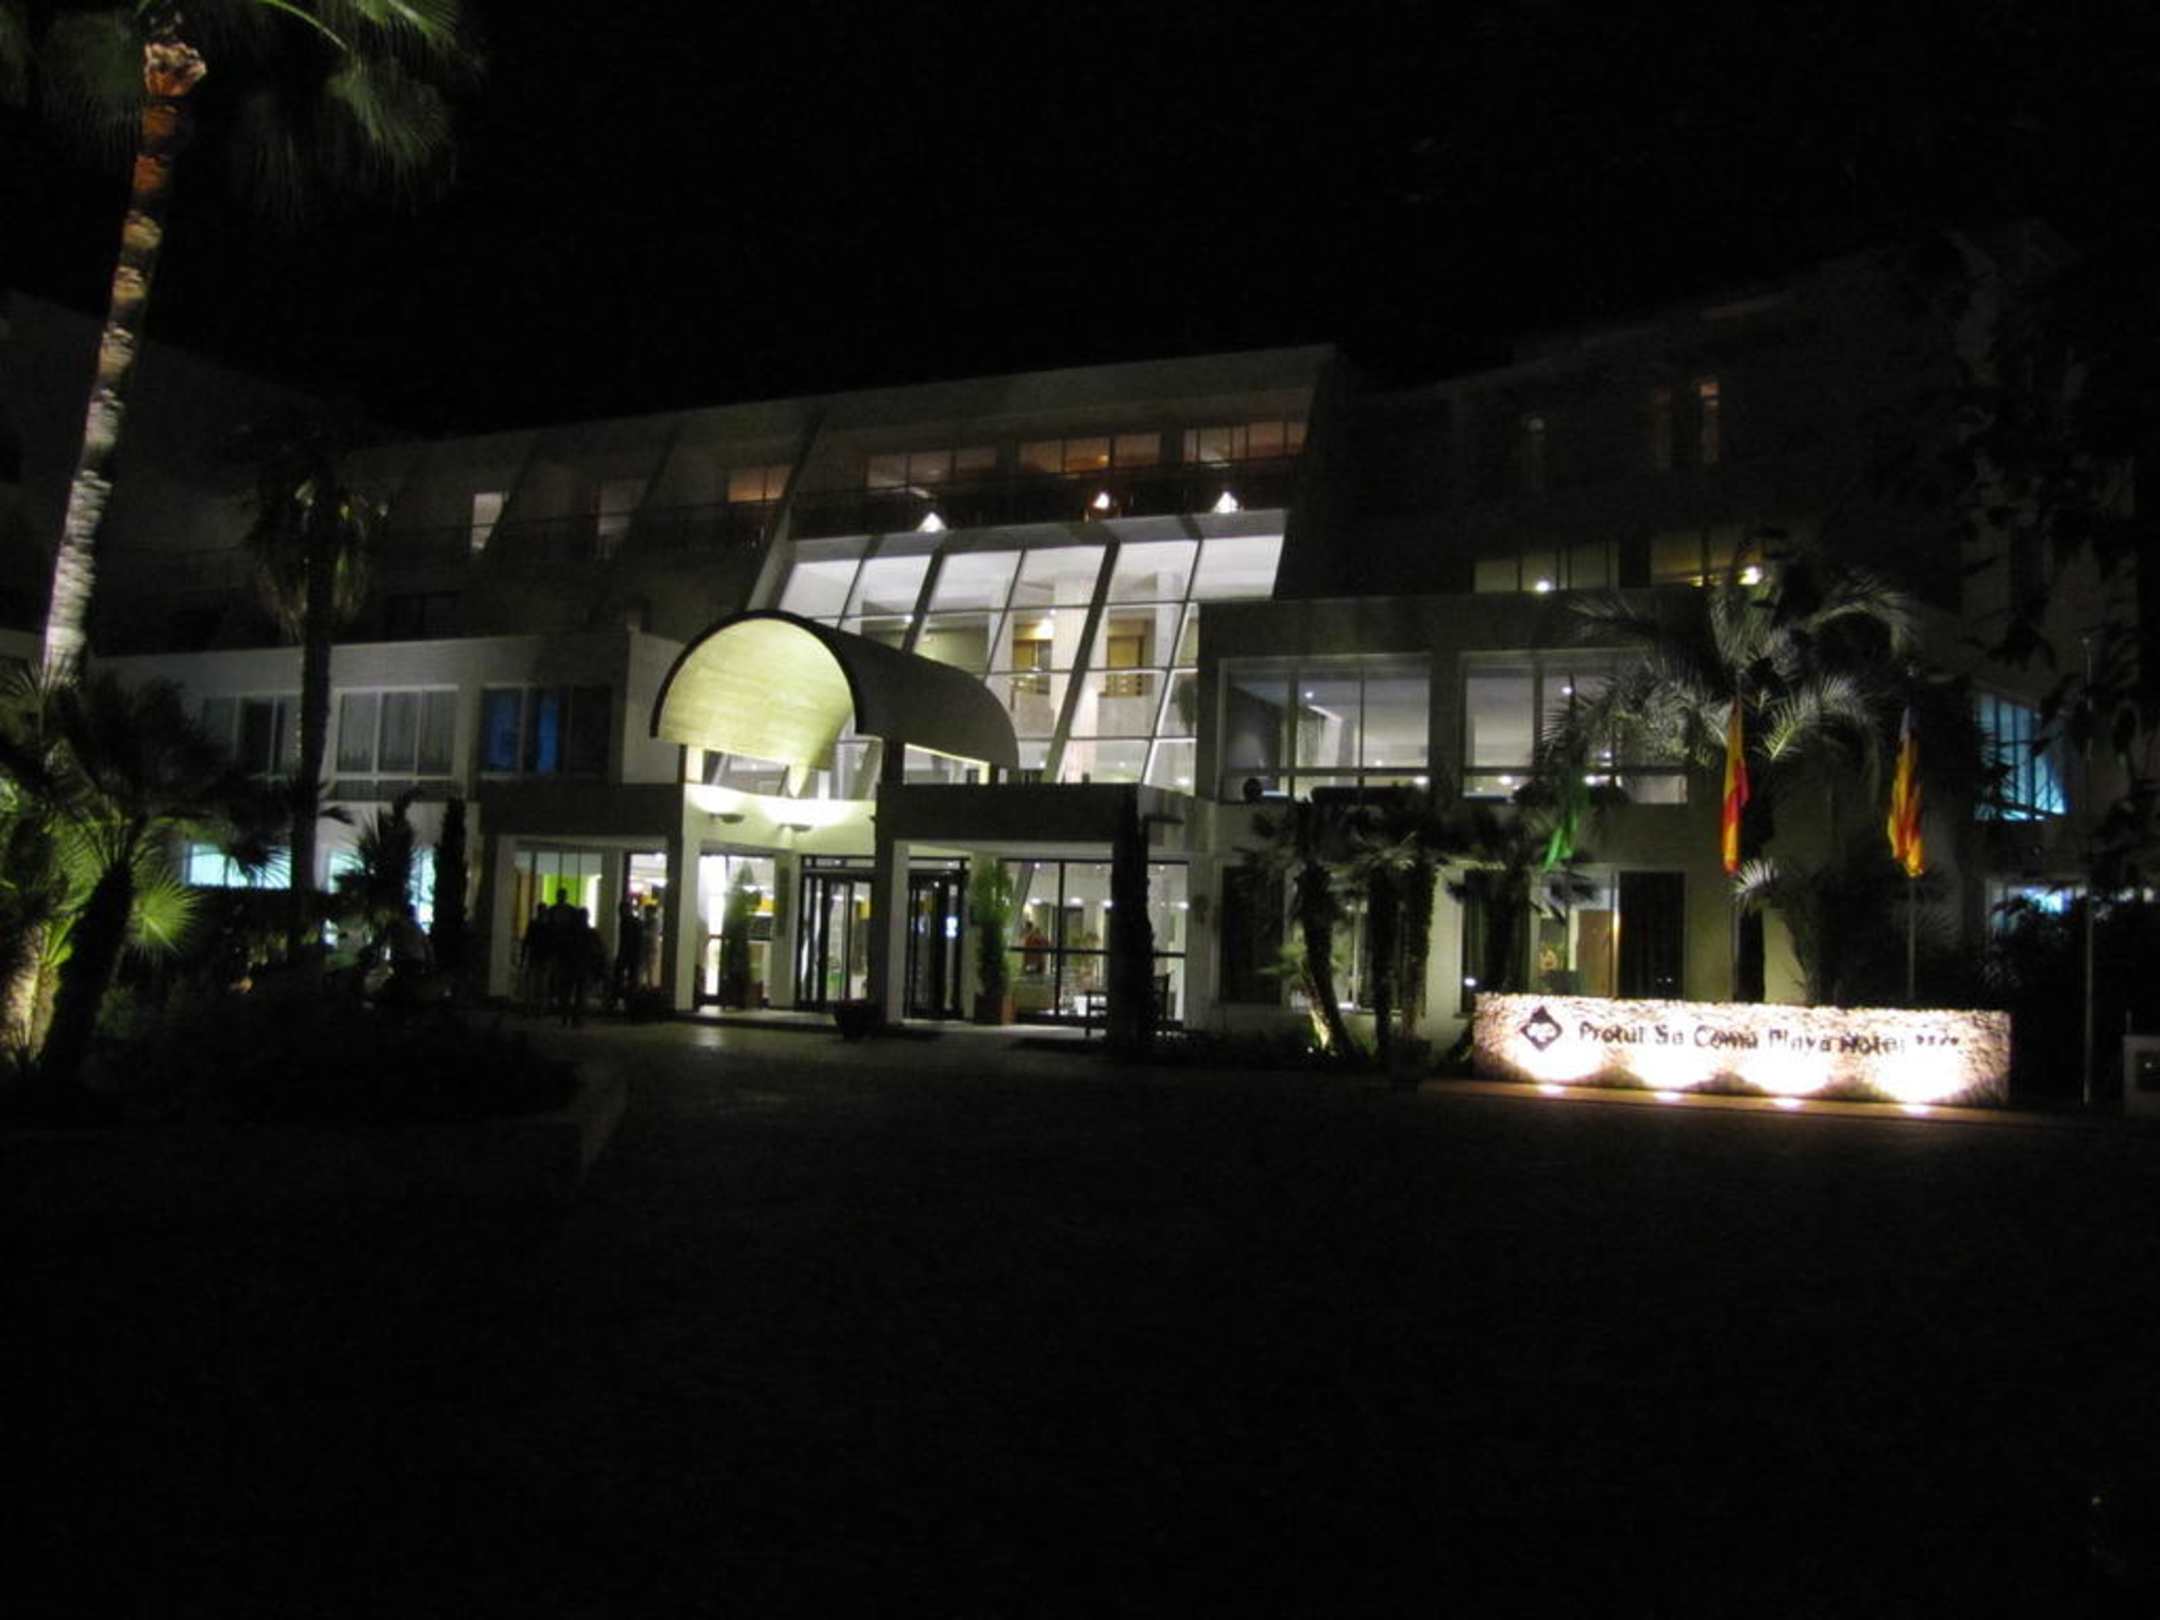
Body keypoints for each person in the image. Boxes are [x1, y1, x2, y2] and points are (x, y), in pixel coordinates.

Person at [609, 897, 646, 1012]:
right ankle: (630, 1003)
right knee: (632, 978)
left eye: (621, 910)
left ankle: (619, 1000)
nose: (619, 913)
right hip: (636, 955)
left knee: (620, 977)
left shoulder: (626, 922)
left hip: (629, 954)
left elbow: (626, 941)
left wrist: (621, 956)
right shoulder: (637, 922)